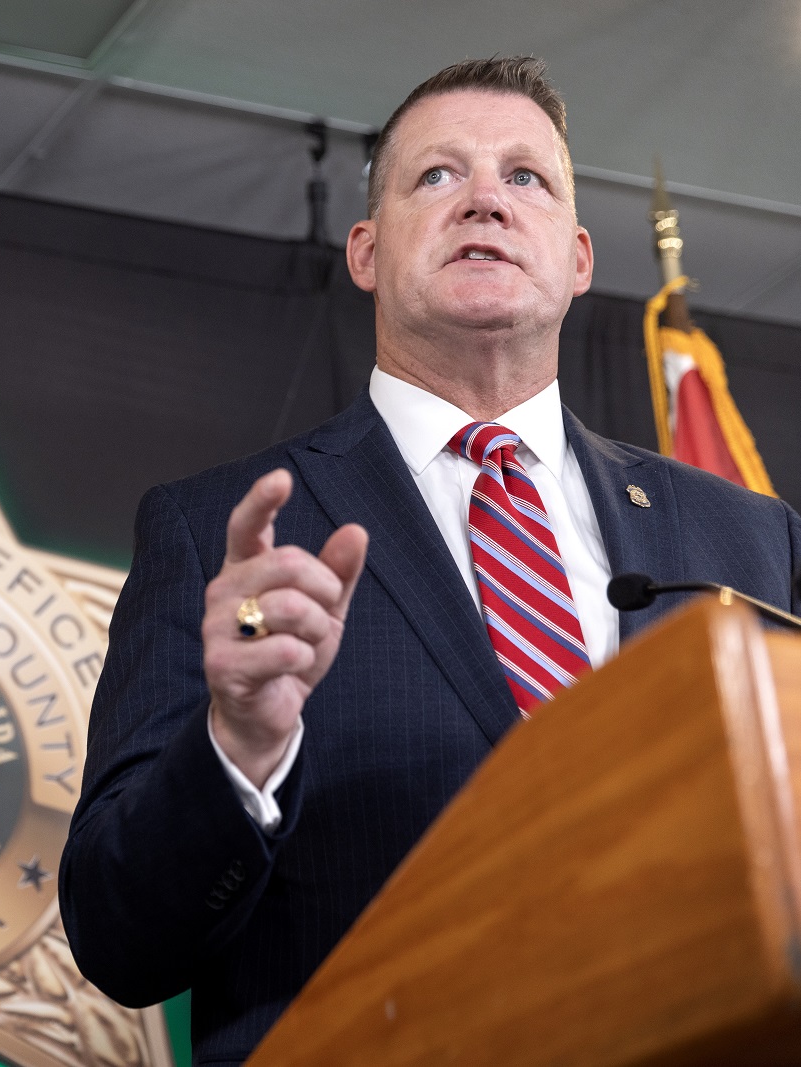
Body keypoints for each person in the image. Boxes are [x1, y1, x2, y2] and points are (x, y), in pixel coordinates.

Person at [60, 57, 801, 1066]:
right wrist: (237, 745)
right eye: (438, 177)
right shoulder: (217, 530)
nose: (487, 199)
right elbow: (117, 933)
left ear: (578, 258)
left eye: (525, 178)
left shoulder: (749, 538)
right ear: (365, 249)